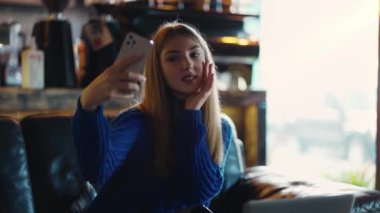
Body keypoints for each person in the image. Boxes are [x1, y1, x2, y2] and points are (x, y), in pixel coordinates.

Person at [72, 21, 233, 212]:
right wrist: (88, 104)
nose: (187, 64)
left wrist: (191, 113)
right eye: (173, 58)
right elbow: (97, 172)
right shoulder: (137, 122)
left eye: (195, 54)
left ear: (208, 63)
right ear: (158, 70)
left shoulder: (221, 128)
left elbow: (197, 193)